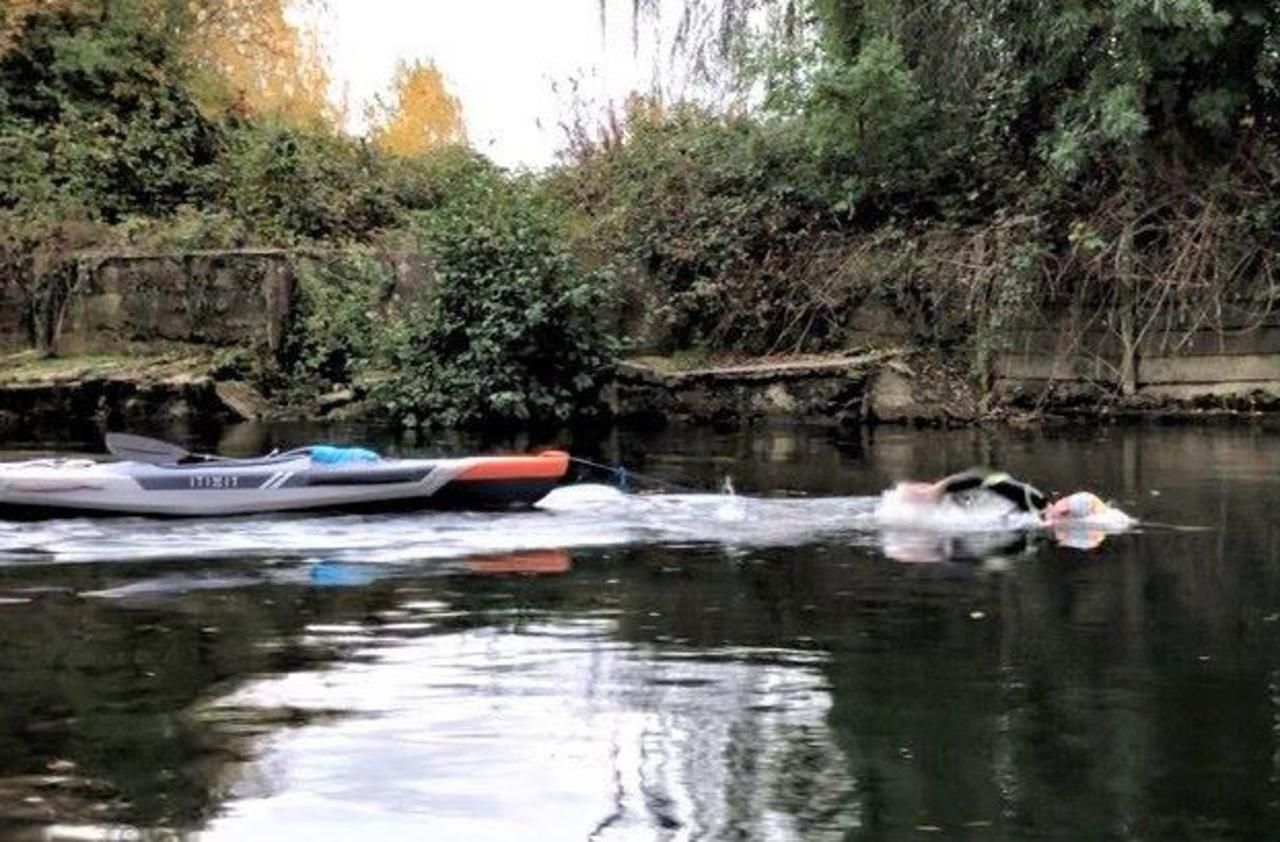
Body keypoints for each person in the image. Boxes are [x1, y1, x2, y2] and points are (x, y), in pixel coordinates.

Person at [886, 467, 1126, 526]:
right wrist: (936, 490)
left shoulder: (1037, 519)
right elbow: (985, 477)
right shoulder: (1032, 498)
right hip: (943, 504)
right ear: (1064, 510)